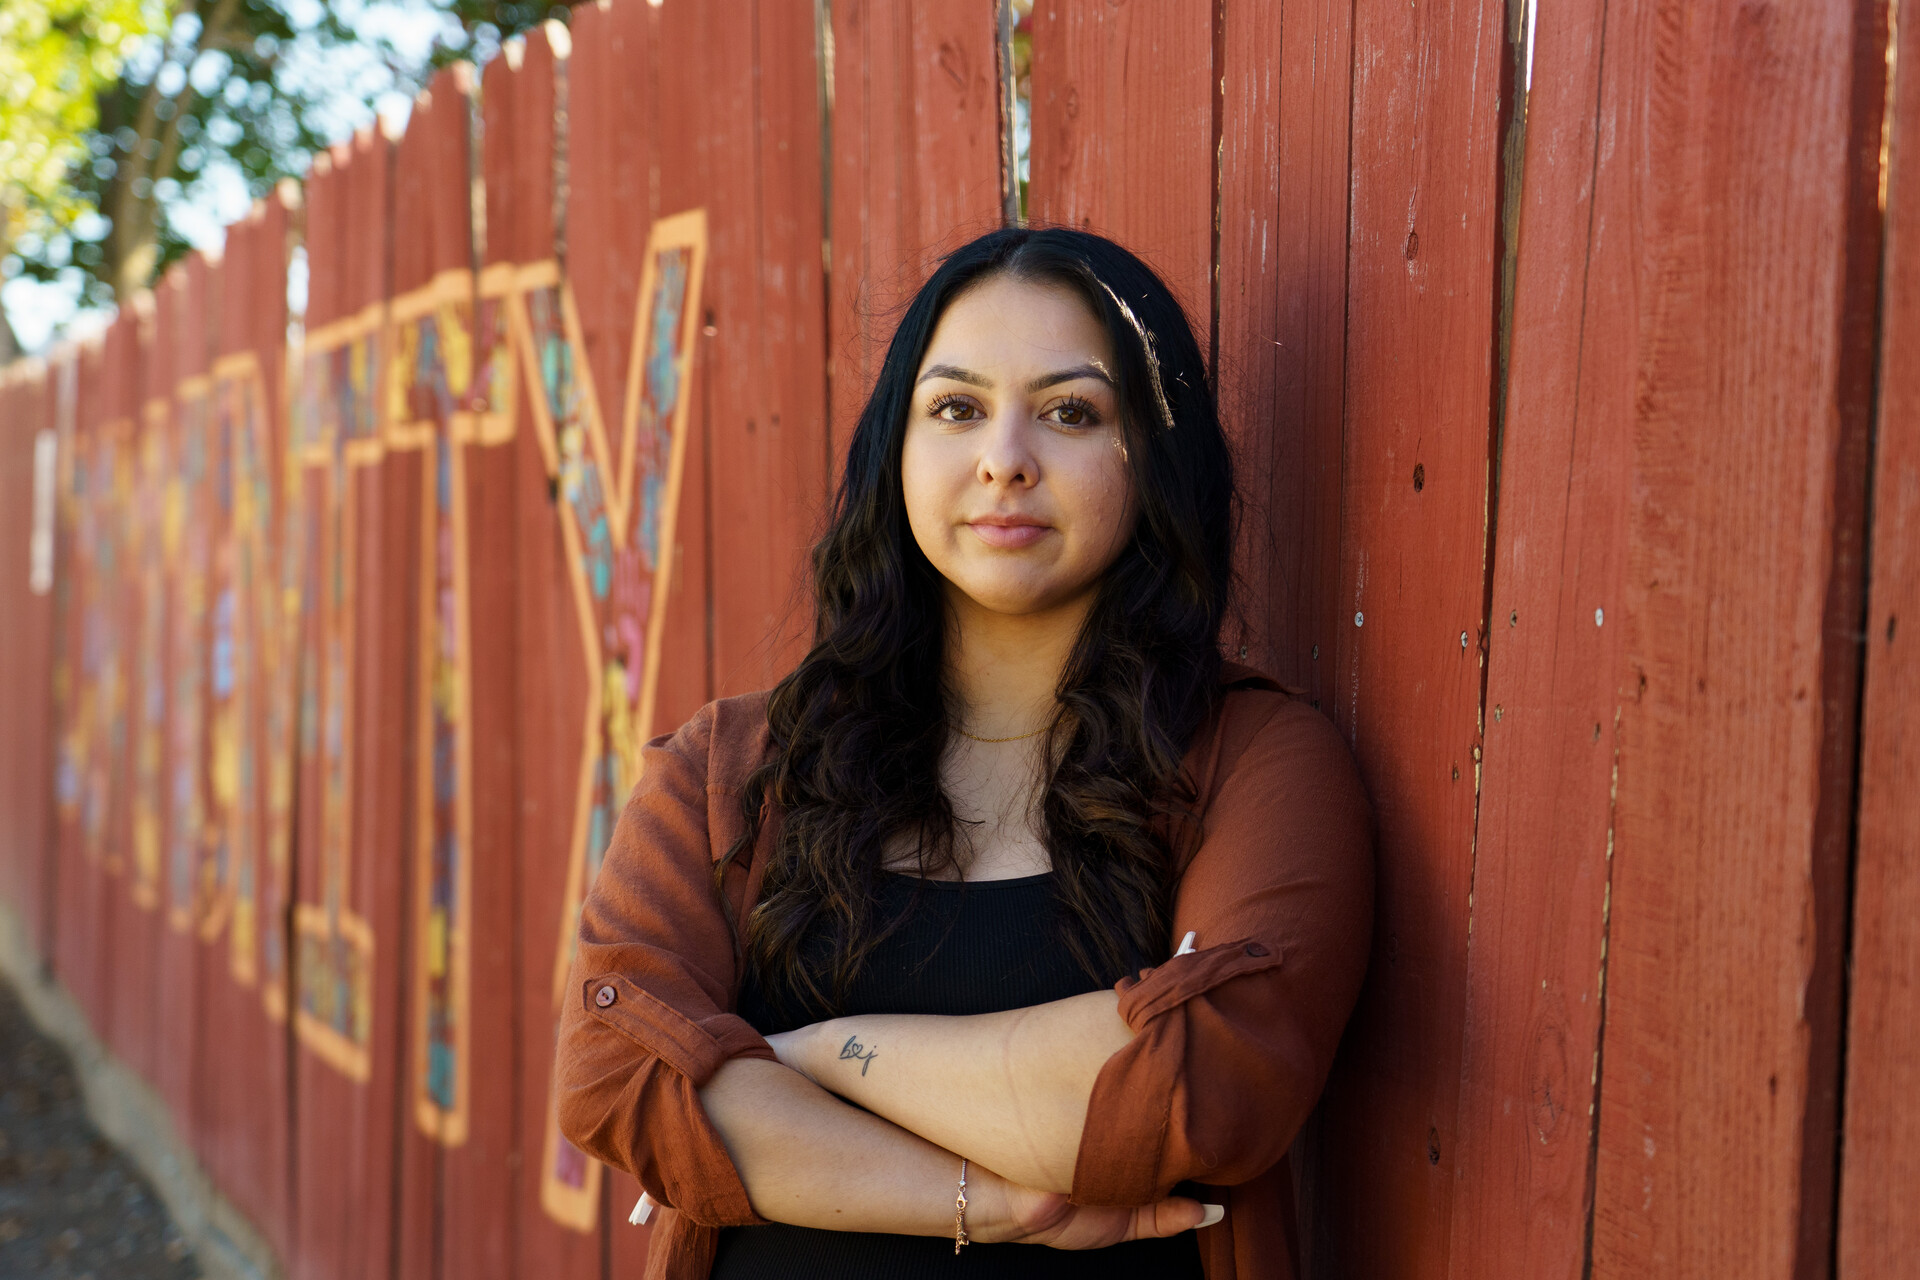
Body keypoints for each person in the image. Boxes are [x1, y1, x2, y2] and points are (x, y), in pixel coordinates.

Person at [555, 227, 1373, 1280]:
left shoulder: (1255, 764)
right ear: (898, 445)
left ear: (1155, 459)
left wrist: (809, 1054)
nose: (1005, 457)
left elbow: (1190, 1089)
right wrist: (990, 1204)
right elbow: (616, 1069)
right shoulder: (730, 770)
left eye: (1072, 411)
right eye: (957, 407)